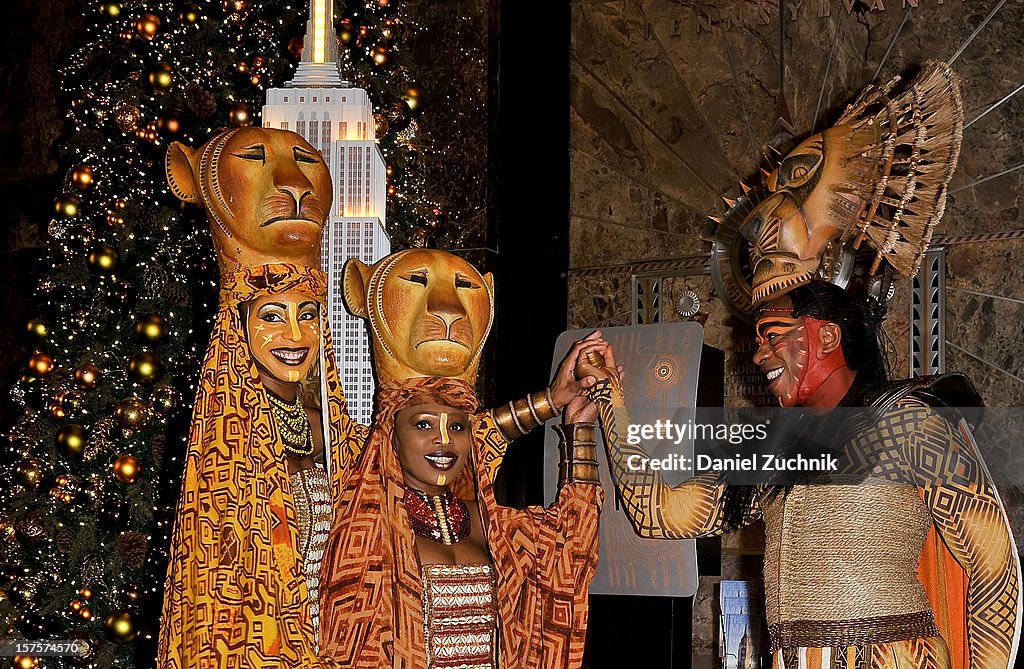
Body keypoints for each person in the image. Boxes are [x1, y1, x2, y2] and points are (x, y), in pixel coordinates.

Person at [157, 128, 598, 667]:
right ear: (237, 327)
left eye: (309, 316)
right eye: (271, 317)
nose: (294, 336)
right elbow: (223, 602)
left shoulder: (341, 431)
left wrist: (552, 402)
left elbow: (441, 442)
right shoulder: (225, 460)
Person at [581, 280, 1020, 669]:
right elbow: (659, 515)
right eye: (757, 341)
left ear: (827, 335)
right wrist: (610, 401)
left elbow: (994, 567)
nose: (758, 354)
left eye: (772, 336)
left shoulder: (906, 423)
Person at [318, 252, 607, 669]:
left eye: (456, 428)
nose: (444, 441)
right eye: (421, 425)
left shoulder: (493, 525)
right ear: (389, 437)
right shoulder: (360, 516)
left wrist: (577, 425)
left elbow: (573, 550)